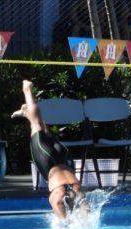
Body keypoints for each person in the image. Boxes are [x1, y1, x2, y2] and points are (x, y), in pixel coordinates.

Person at [11, 80, 87, 220]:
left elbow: (87, 212)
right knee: (37, 126)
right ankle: (26, 90)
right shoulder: (60, 196)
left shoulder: (78, 194)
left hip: (64, 159)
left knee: (41, 128)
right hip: (48, 162)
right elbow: (56, 201)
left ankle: (26, 111)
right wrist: (66, 223)